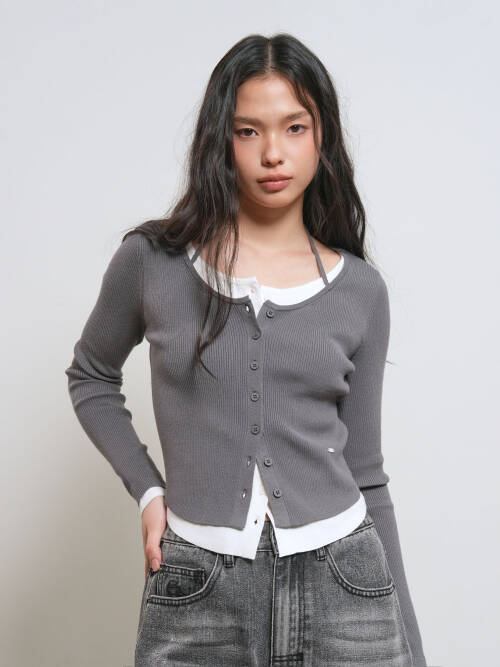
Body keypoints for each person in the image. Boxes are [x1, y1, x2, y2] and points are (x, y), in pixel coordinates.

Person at [65, 32, 427, 667]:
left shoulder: (360, 291)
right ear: (220, 139)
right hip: (196, 581)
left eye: (294, 127)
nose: (273, 153)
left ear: (322, 137)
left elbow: (366, 473)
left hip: (347, 580)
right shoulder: (152, 263)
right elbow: (91, 375)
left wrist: (410, 644)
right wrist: (149, 492)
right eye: (248, 131)